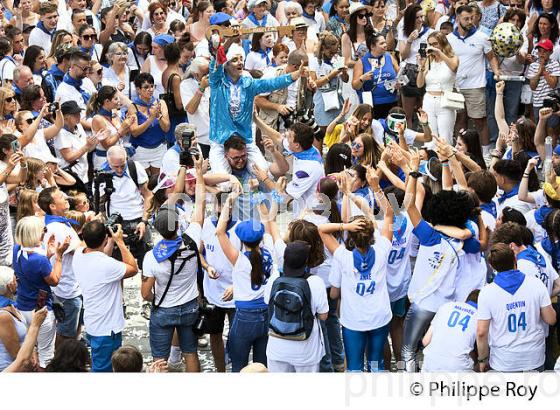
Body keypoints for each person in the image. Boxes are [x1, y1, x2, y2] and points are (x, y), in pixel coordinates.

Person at [319, 189, 395, 372]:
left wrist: (345, 227)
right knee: (377, 364)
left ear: (351, 237)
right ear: (371, 237)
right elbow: (390, 213)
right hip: (379, 317)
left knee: (354, 367)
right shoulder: (383, 249)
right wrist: (376, 187)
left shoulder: (343, 257)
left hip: (353, 320)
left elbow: (321, 230)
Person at [142, 158, 205, 372]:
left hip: (163, 310)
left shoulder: (151, 257)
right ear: (178, 224)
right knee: (191, 353)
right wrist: (197, 174)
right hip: (189, 307)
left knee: (159, 360)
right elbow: (201, 205)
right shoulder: (192, 238)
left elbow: (145, 293)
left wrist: (158, 297)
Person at [207, 41, 302, 174]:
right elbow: (216, 65)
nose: (240, 62)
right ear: (226, 65)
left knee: (263, 173)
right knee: (224, 181)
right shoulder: (217, 82)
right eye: (234, 60)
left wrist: (294, 75)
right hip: (220, 140)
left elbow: (271, 83)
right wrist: (226, 43)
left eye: (241, 59)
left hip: (244, 138)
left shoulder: (248, 84)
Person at [215, 192, 276, 372]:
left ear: (241, 240)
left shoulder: (240, 260)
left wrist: (228, 202)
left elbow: (219, 231)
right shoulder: (271, 248)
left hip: (245, 316)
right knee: (262, 366)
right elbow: (267, 219)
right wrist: (256, 193)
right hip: (266, 313)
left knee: (238, 365)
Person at [477, 243, 557, 372]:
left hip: (503, 361)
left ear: (492, 266)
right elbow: (551, 319)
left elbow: (481, 333)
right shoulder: (536, 284)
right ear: (515, 259)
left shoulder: (486, 292)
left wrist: (482, 359)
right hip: (533, 358)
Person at [72, 220, 138, 372]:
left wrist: (105, 236)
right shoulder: (107, 265)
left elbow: (100, 253)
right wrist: (119, 241)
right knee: (103, 370)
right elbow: (133, 268)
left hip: (94, 323)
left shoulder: (78, 254)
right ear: (105, 239)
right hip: (107, 329)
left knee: (103, 364)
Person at [12, 216, 69, 369]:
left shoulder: (16, 249)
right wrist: (58, 256)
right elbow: (55, 280)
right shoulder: (39, 260)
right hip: (41, 310)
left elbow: (33, 270)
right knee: (46, 355)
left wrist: (48, 253)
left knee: (29, 350)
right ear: (36, 234)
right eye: (43, 230)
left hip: (22, 307)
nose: (45, 232)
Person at [264, 240, 329, 373]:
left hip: (277, 348)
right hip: (305, 350)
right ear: (306, 261)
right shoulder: (315, 282)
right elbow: (323, 316)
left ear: (285, 258)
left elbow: (267, 303)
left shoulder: (275, 278)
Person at [447, 5, 499, 157]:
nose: (470, 21)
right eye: (466, 19)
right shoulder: (448, 39)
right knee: (460, 120)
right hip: (455, 86)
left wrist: (496, 71)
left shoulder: (482, 37)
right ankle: (460, 151)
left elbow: (491, 57)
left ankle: (486, 153)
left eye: (472, 18)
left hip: (476, 86)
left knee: (480, 121)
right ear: (457, 19)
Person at [37, 187, 82, 346]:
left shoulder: (56, 223)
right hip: (66, 288)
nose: (66, 199)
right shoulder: (58, 228)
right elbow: (78, 250)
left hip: (64, 285)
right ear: (52, 206)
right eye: (61, 197)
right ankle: (63, 362)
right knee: (66, 334)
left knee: (71, 329)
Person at [97, 145, 152, 266]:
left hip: (139, 220)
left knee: (148, 263)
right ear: (108, 162)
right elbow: (101, 205)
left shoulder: (135, 167)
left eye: (123, 165)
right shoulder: (102, 175)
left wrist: (144, 221)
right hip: (117, 223)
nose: (120, 170)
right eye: (115, 167)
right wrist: (108, 226)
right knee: (119, 266)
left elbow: (148, 195)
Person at [416, 31, 459, 144]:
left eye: (435, 44)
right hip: (429, 100)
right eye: (430, 44)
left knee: (445, 137)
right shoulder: (429, 60)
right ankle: (431, 160)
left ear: (442, 44)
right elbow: (419, 84)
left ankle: (448, 161)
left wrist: (439, 53)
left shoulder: (452, 57)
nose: (432, 47)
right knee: (430, 137)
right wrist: (421, 67)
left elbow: (454, 67)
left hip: (445, 100)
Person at [421, 290, 479, 372]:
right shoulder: (480, 317)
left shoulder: (446, 306)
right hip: (457, 368)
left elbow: (425, 341)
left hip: (430, 364)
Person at [398, 5, 433, 129]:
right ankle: (409, 140)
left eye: (422, 16)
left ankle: (427, 139)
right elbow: (403, 55)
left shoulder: (429, 32)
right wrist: (409, 40)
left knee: (426, 110)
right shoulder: (404, 32)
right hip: (409, 70)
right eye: (417, 17)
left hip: (425, 70)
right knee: (407, 112)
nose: (420, 20)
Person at [129, 72, 170, 176]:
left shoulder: (161, 103)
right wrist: (151, 119)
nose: (150, 89)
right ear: (138, 89)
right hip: (140, 150)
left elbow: (166, 128)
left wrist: (158, 116)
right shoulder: (133, 107)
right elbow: (134, 132)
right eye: (146, 87)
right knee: (144, 182)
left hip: (159, 148)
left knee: (159, 181)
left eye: (152, 86)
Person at [352, 32, 400, 119]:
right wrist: (362, 79)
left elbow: (400, 75)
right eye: (382, 43)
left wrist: (399, 84)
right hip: (373, 104)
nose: (385, 45)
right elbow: (355, 86)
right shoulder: (362, 62)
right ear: (372, 46)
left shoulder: (389, 57)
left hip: (392, 101)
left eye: (385, 42)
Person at [181, 57, 210, 158]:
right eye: (205, 74)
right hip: (201, 139)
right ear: (196, 74)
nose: (208, 76)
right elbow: (191, 109)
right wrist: (201, 88)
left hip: (217, 138)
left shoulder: (213, 83)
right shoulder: (186, 85)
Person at [0, 266, 27, 372]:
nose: (17, 283)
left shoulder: (11, 305)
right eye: (16, 280)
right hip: (10, 368)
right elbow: (15, 353)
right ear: (10, 286)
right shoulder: (3, 316)